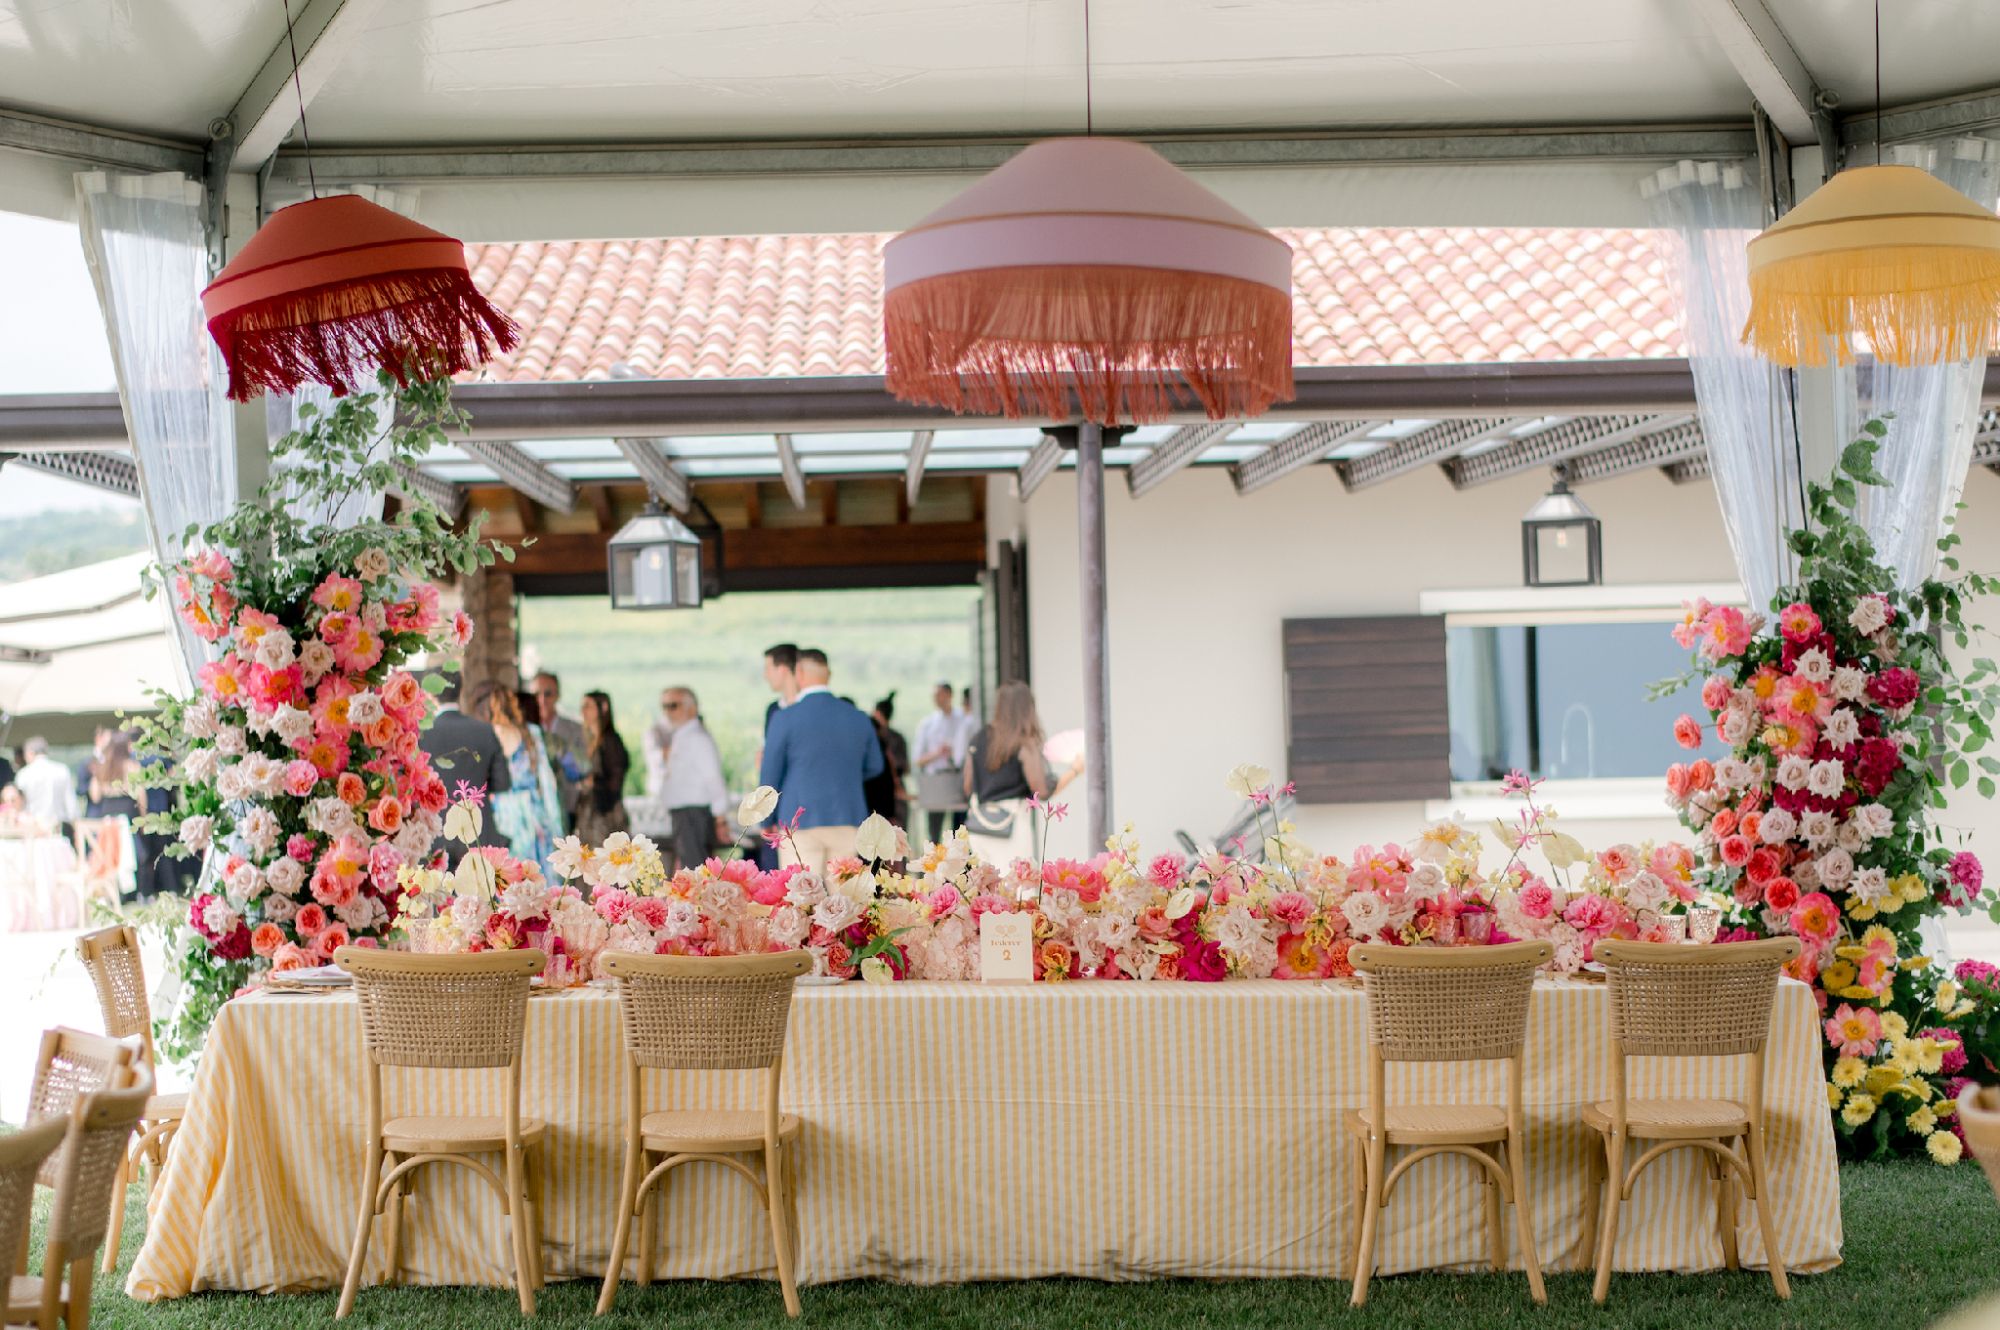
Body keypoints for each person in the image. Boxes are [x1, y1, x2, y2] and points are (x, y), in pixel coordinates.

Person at [758, 648, 882, 876]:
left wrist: (766, 819)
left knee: (802, 892)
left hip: (798, 820)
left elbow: (771, 773)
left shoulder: (784, 718)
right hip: (847, 815)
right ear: (829, 674)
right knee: (844, 893)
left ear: (799, 672)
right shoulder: (858, 717)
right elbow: (875, 765)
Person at [963, 682, 1083, 864]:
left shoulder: (978, 738)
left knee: (986, 881)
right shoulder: (1023, 742)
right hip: (1012, 827)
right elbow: (1042, 791)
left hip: (980, 828)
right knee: (1019, 881)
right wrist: (1075, 770)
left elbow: (967, 786)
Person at [470, 682, 565, 879]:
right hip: (531, 816)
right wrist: (557, 830)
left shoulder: (481, 736)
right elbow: (547, 784)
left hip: (498, 817)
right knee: (535, 882)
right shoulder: (531, 734)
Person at [417, 675, 512, 859]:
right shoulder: (485, 730)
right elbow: (502, 783)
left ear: (431, 694)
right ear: (460, 691)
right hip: (478, 832)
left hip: (435, 835)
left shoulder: (421, 734)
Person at [653, 686, 730, 870]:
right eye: (664, 706)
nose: (668, 712)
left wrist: (720, 817)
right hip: (683, 815)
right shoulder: (680, 736)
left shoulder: (698, 738)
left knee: (695, 872)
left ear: (692, 708)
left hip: (693, 815)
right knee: (690, 871)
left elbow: (713, 778)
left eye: (673, 706)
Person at [530, 670, 588, 831]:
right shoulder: (523, 732)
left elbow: (583, 769)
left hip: (568, 809)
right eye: (536, 694)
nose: (542, 700)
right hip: (534, 814)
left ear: (558, 695)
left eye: (548, 694)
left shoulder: (576, 730)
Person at [913, 681, 967, 845]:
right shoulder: (927, 724)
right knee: (934, 833)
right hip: (935, 782)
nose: (937, 699)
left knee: (960, 831)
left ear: (949, 695)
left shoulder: (963, 720)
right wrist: (937, 753)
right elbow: (917, 760)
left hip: (957, 779)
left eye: (940, 695)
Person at [575, 690, 631, 844]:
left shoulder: (610, 741)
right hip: (588, 813)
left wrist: (594, 781)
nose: (583, 711)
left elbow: (616, 781)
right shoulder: (589, 739)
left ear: (603, 707)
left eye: (588, 706)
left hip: (605, 814)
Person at [14, 738, 76, 837]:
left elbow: (18, 805)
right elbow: (71, 806)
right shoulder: (62, 770)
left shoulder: (23, 775)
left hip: (33, 830)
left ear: (30, 753)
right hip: (59, 830)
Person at [864, 693, 909, 828]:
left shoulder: (873, 739)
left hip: (880, 795)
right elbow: (905, 767)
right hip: (894, 796)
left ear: (877, 713)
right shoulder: (897, 737)